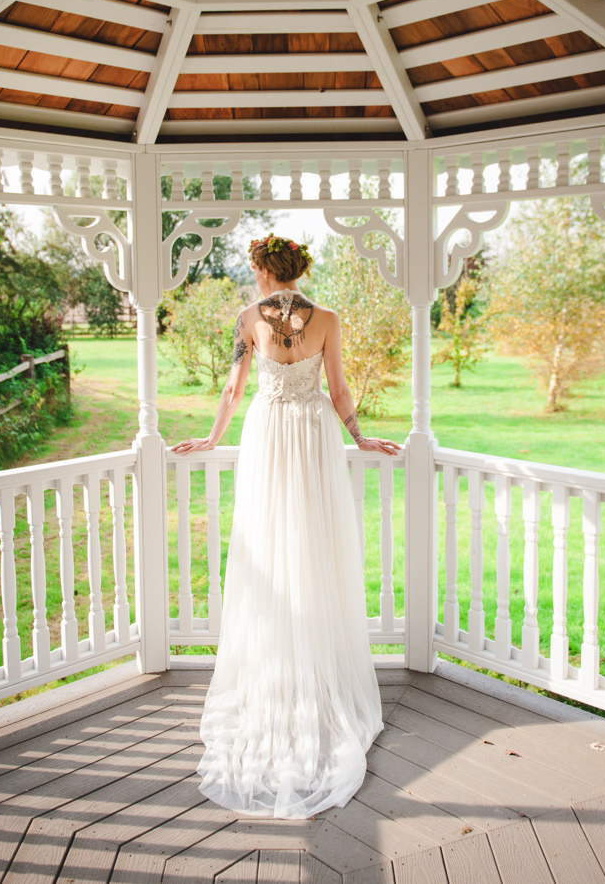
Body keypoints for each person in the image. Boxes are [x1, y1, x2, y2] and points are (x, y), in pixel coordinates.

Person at [172, 234, 400, 819]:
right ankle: (313, 667)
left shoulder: (249, 319)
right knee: (314, 545)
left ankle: (278, 668)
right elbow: (339, 389)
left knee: (271, 547)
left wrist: (213, 438)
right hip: (315, 436)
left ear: (265, 271)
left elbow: (233, 387)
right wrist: (360, 437)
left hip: (270, 435)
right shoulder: (326, 319)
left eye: (254, 269)